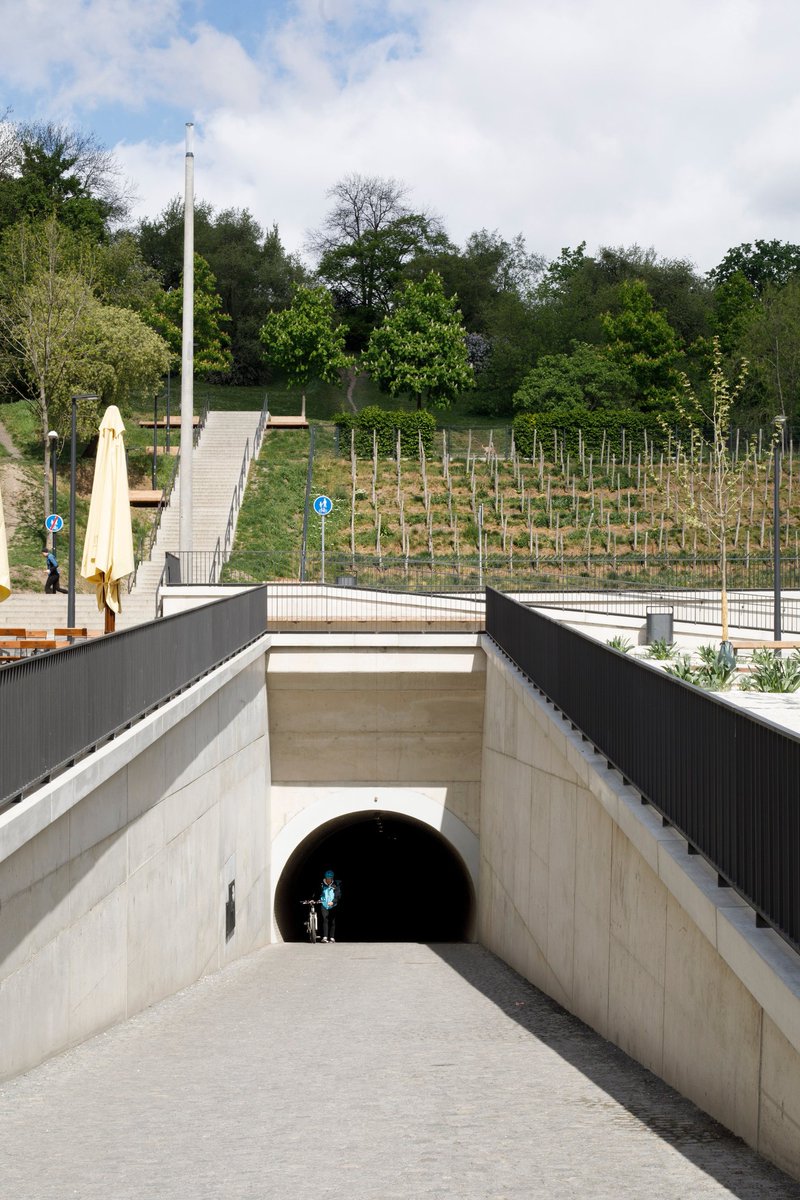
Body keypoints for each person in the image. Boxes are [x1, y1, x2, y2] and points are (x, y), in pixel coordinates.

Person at [318, 869, 341, 943]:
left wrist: (333, 902)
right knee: (325, 919)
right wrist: (314, 899)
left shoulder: (336, 885)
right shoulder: (321, 884)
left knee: (332, 921)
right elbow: (316, 892)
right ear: (325, 878)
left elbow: (338, 895)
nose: (328, 880)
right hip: (324, 904)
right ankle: (325, 937)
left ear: (332, 878)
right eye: (327, 878)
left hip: (333, 905)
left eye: (330, 879)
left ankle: (331, 937)